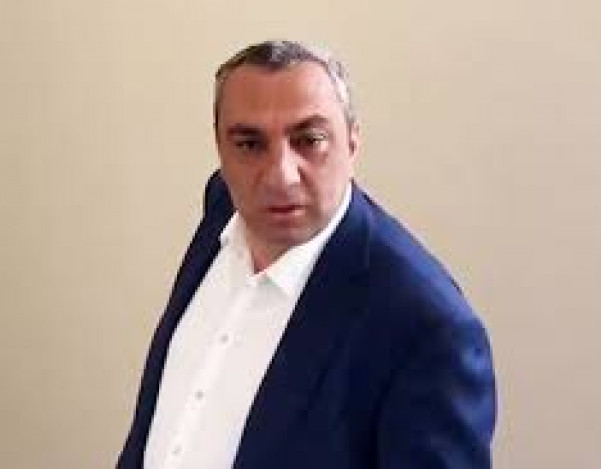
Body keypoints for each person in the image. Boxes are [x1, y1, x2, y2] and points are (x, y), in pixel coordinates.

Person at [118, 39, 496, 469]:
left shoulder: (427, 329)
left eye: (309, 140)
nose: (281, 177)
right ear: (220, 148)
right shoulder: (223, 205)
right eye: (250, 144)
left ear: (353, 142)